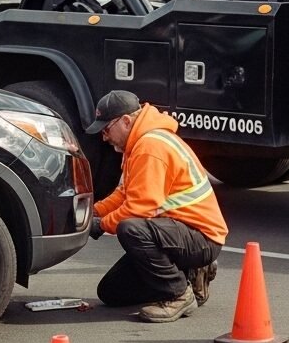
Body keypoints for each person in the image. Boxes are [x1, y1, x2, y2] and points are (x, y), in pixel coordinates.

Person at [88, 89, 227, 323]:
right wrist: (92, 213)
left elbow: (139, 208)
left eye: (106, 129)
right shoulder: (139, 143)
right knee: (111, 292)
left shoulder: (150, 146)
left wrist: (101, 225)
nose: (104, 136)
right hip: (179, 233)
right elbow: (124, 194)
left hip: (201, 237)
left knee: (131, 229)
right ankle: (190, 273)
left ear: (125, 121)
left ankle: (178, 294)